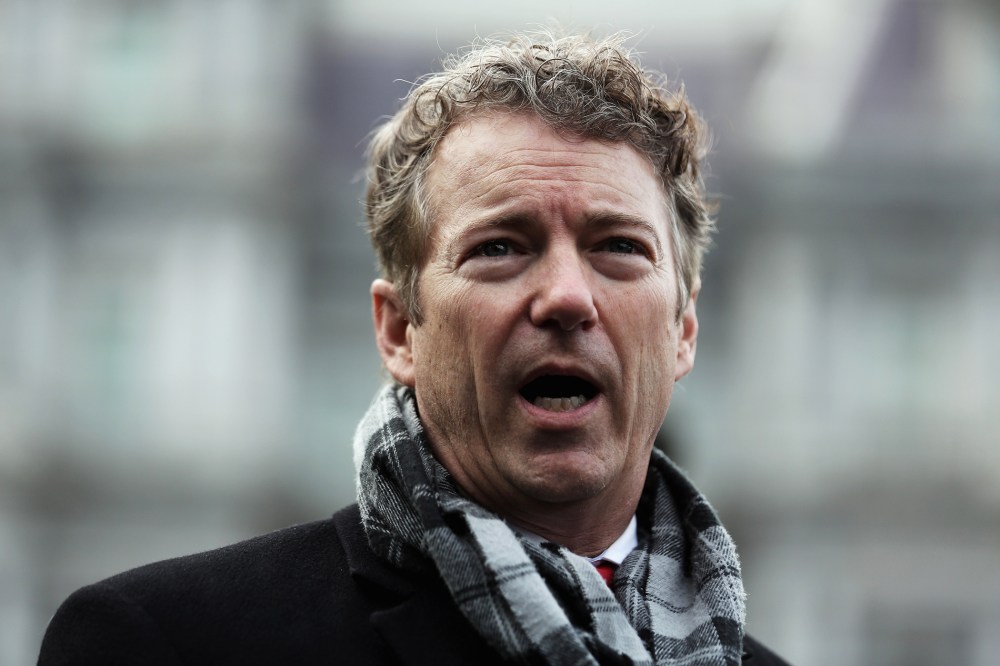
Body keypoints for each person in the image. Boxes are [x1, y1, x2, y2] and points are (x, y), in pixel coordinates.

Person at [38, 30, 791, 665]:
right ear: (399, 330)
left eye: (618, 246)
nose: (566, 296)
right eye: (501, 247)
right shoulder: (164, 641)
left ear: (683, 330)